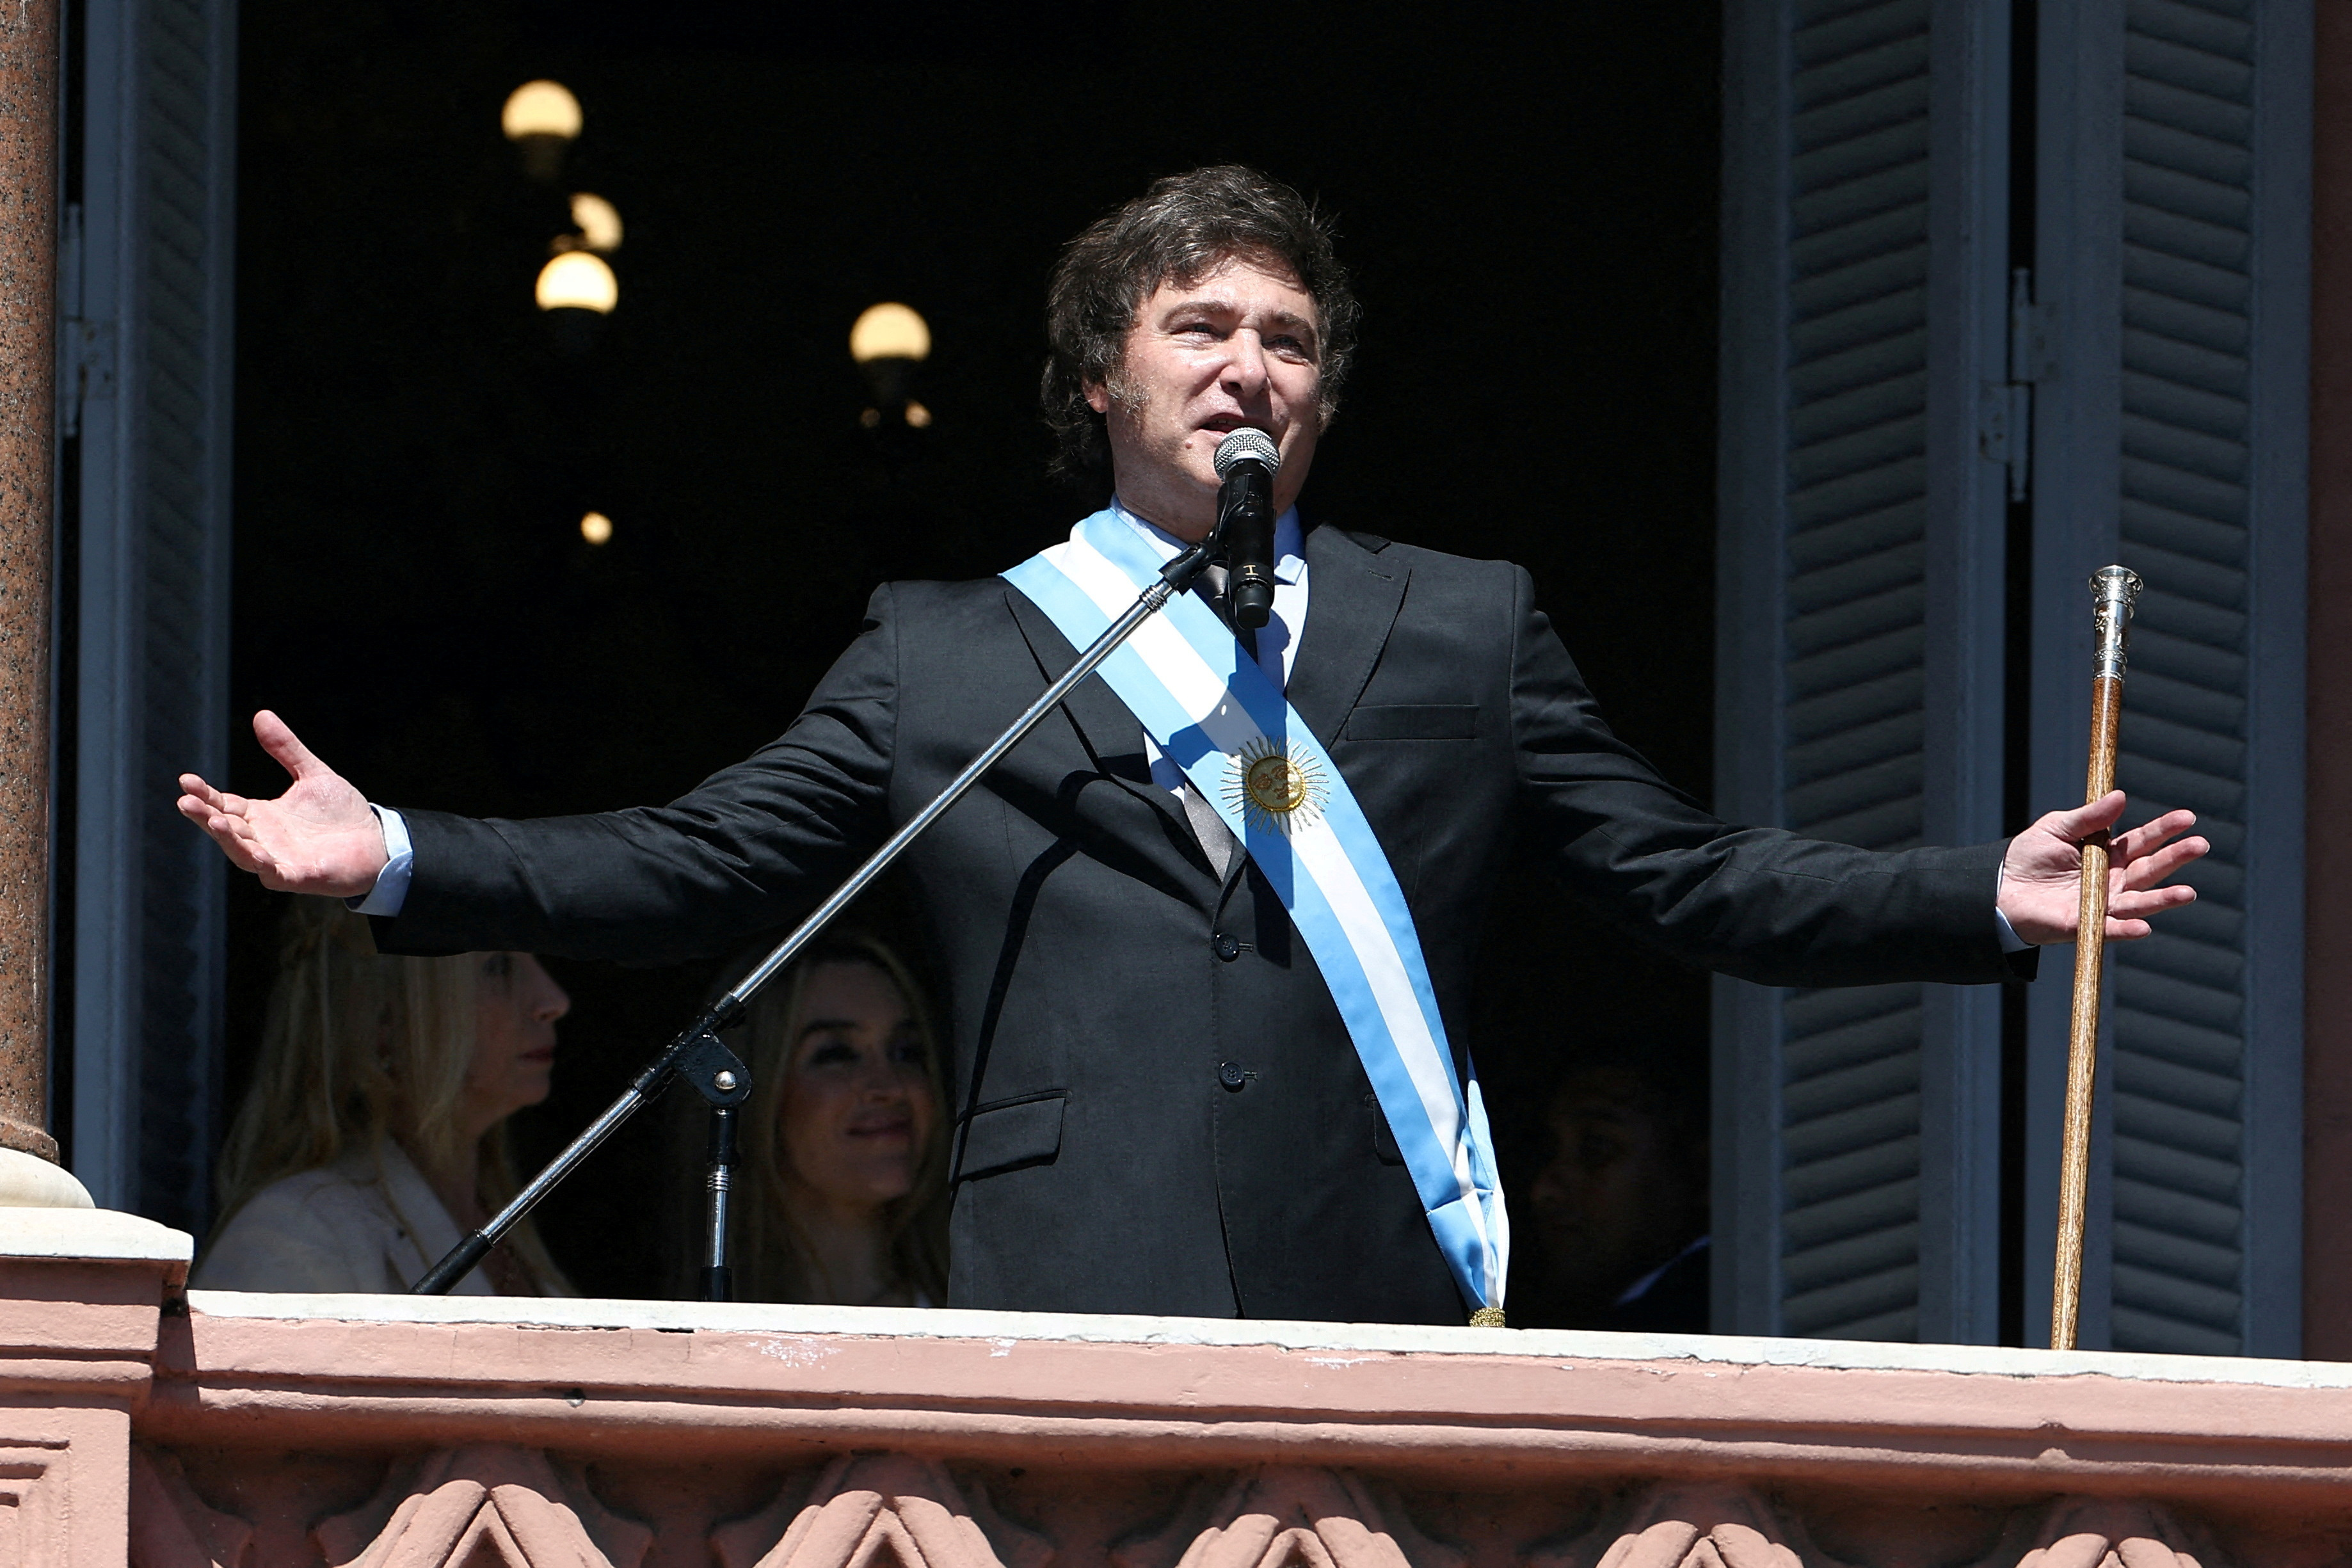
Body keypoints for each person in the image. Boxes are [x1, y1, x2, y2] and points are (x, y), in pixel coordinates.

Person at [175, 164, 2207, 1326]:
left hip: (1376, 1279)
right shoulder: (948, 650)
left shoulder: (1462, 621)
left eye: (1291, 336)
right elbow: (704, 861)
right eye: (1199, 326)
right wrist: (408, 860)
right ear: (1099, 378)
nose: (1250, 364)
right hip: (1070, 1277)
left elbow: (1684, 878)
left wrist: (1981, 895)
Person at [195, 896, 574, 1295]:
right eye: (498, 967)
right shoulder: (297, 1233)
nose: (553, 1001)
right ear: (383, 1022)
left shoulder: (509, 1220)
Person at [730, 935, 948, 1307]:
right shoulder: (682, 1330)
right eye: (837, 1055)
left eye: (906, 1051)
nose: (890, 1087)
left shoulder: (989, 1313)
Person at [1521, 1052, 1710, 1334]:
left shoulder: (1718, 1324)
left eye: (1596, 1148)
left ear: (1702, 1168)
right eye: (1548, 1151)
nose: (1544, 1191)